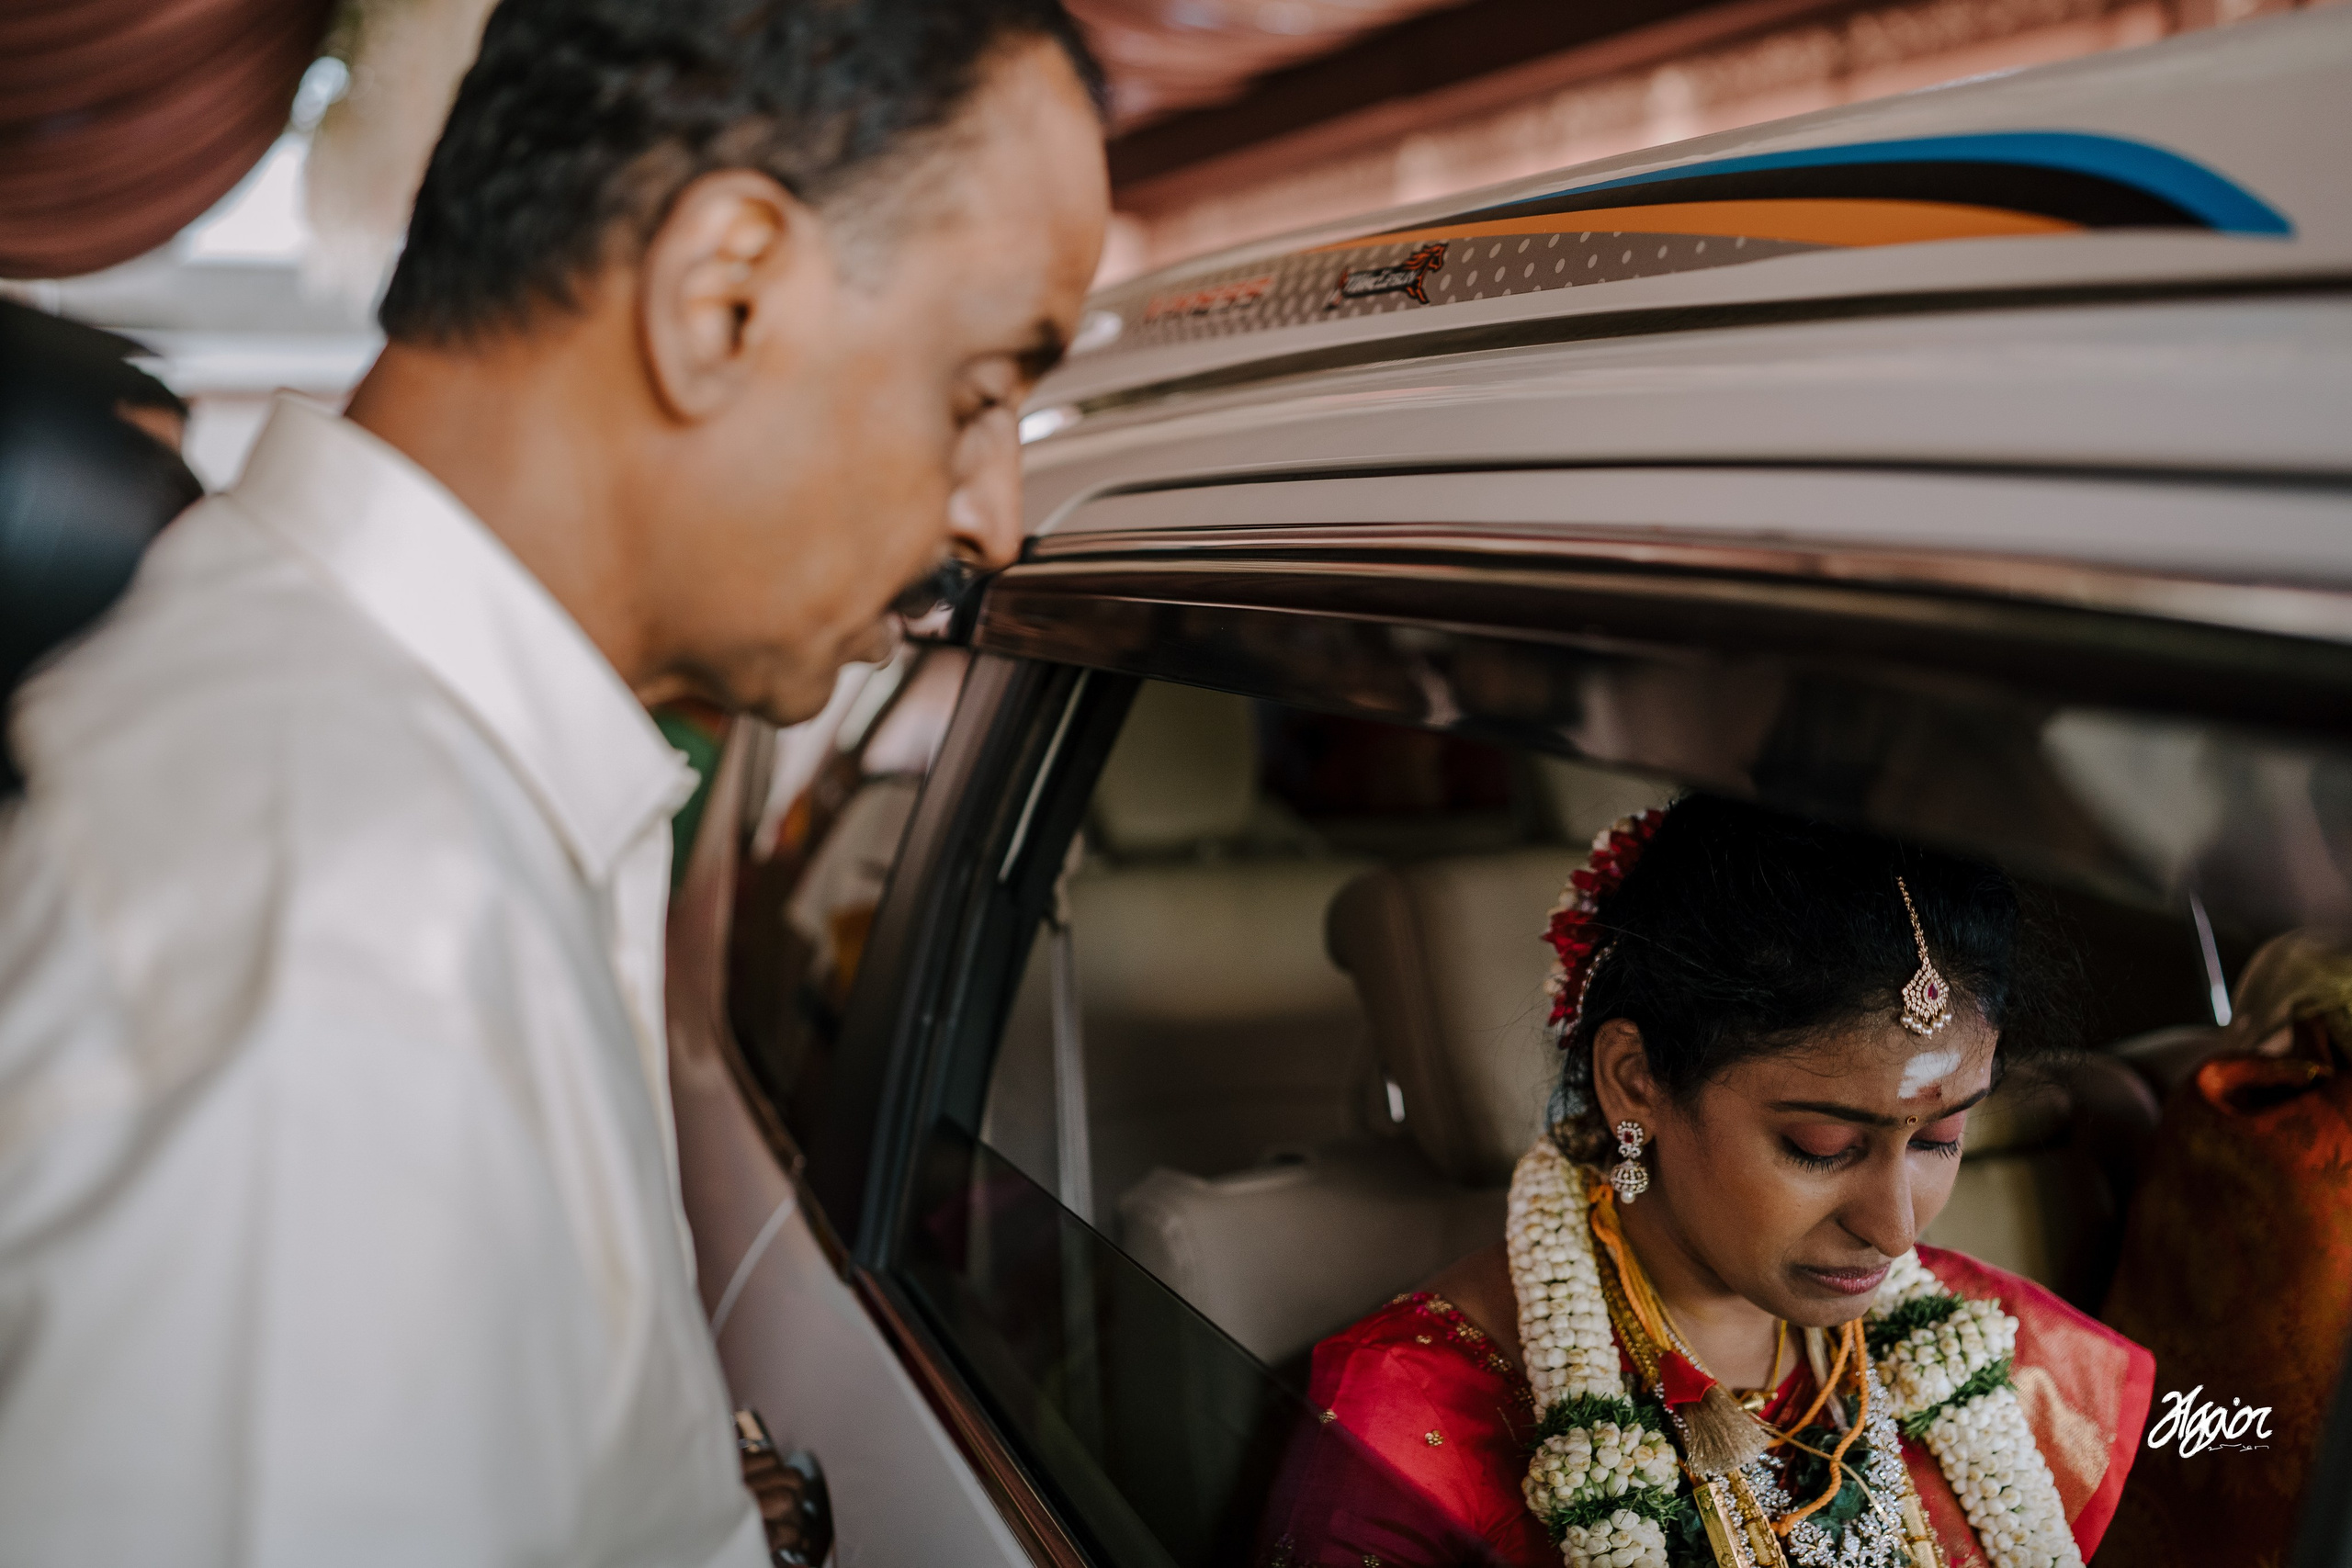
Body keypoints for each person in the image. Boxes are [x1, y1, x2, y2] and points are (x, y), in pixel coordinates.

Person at [0, 0, 1108, 1562]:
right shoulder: (351, 939)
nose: (992, 515)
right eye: (982, 388)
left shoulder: (431, 798)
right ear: (722, 299)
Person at [1269, 795, 2153, 1568]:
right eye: (1821, 1144)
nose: (1893, 1229)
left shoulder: (2012, 1361)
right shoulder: (1422, 1426)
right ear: (1635, 1081)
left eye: (1942, 1138)